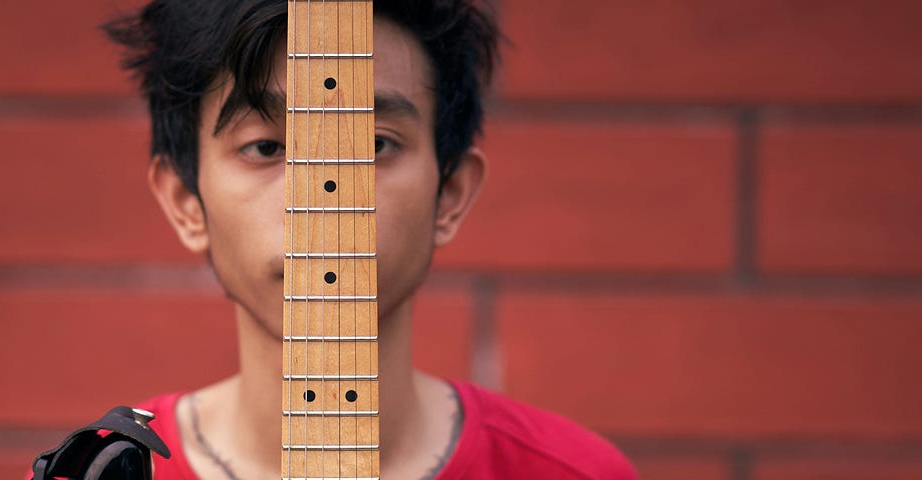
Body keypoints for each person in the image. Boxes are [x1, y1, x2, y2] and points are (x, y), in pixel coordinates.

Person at [69, 0, 639, 478]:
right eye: (267, 147)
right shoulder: (101, 470)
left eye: (373, 144)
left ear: (452, 193)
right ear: (184, 201)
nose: (323, 196)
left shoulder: (574, 471)